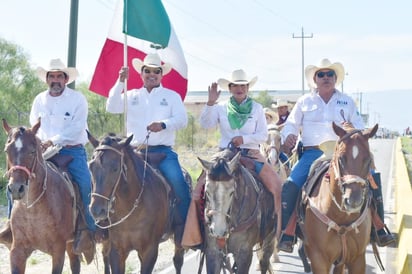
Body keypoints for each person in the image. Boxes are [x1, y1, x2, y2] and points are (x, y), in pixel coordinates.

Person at [278, 58, 396, 253]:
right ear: (315, 79)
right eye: (321, 74)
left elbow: (359, 126)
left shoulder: (347, 101)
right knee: (291, 185)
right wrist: (289, 135)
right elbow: (291, 123)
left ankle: (379, 228)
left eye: (330, 74)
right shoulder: (304, 101)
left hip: (344, 153)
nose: (326, 78)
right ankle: (287, 233)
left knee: (372, 178)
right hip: (312, 152)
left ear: (335, 78)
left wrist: (354, 131)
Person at [0, 59, 96, 252]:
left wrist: (54, 140)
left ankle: (89, 231)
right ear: (46, 79)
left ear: (66, 79)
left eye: (59, 76)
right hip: (42, 151)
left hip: (72, 149)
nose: (55, 80)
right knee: (17, 178)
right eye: (51, 76)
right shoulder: (39, 100)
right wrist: (38, 144)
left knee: (85, 184)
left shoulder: (78, 99)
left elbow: (77, 126)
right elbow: (33, 127)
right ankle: (12, 227)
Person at [182, 69, 283, 248]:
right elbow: (206, 124)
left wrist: (244, 139)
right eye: (235, 85)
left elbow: (262, 135)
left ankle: (275, 231)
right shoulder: (220, 107)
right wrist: (210, 103)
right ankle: (196, 235)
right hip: (224, 154)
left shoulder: (257, 108)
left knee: (276, 185)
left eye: (243, 85)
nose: (239, 89)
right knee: (198, 189)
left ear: (247, 88)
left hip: (250, 153)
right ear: (229, 88)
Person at [106, 53, 191, 231]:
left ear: (161, 74)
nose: (152, 74)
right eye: (147, 71)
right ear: (141, 73)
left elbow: (182, 119)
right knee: (107, 179)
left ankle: (184, 230)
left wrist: (163, 124)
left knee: (179, 183)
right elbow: (111, 107)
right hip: (134, 151)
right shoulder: (131, 94)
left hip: (162, 152)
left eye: (156, 71)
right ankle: (105, 227)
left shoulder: (171, 96)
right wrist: (120, 82)